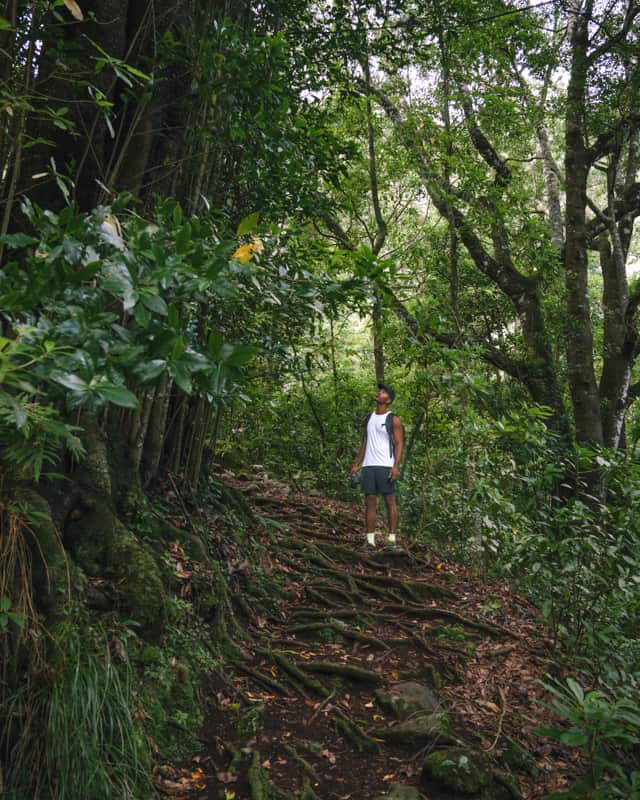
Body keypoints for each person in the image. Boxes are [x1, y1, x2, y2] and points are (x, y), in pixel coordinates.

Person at [350, 383, 404, 550]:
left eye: (383, 392)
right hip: (368, 466)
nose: (379, 393)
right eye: (379, 391)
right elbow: (364, 443)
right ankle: (370, 541)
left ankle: (392, 541)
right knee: (370, 503)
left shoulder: (393, 419)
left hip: (385, 465)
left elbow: (399, 444)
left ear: (388, 400)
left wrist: (395, 467)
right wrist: (356, 465)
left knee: (390, 502)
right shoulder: (369, 418)